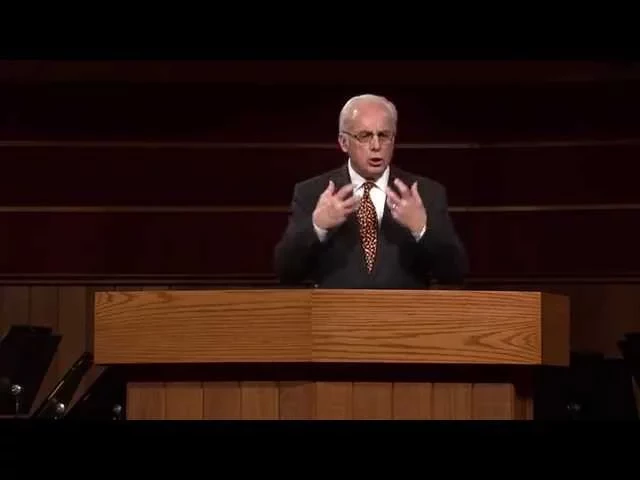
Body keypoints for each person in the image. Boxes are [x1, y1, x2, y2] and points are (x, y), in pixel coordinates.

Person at [273, 94, 468, 289]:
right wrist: (317, 227)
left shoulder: (424, 193)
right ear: (343, 142)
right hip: (336, 308)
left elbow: (455, 273)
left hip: (404, 308)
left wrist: (422, 229)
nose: (376, 146)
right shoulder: (313, 192)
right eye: (365, 136)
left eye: (383, 135)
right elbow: (285, 272)